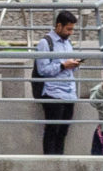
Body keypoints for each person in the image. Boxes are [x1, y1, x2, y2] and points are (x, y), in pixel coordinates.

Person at [34, 10, 80, 155]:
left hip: (69, 92)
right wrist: (62, 65)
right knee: (52, 130)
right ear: (59, 26)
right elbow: (42, 70)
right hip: (52, 92)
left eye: (72, 29)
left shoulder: (68, 43)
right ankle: (49, 161)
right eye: (68, 29)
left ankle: (60, 160)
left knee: (63, 131)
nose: (70, 32)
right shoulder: (45, 43)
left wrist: (73, 65)